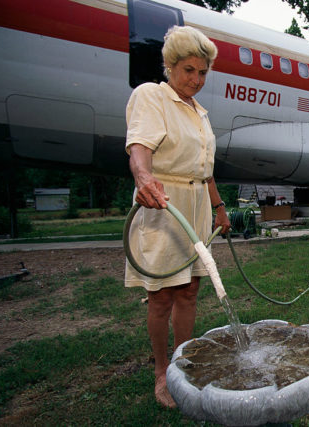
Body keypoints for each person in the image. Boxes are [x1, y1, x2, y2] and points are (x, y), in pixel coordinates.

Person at [124, 25, 231, 408]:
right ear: (170, 65)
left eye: (202, 73)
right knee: (161, 296)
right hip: (162, 203)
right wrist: (143, 176)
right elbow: (139, 144)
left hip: (197, 203)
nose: (196, 80)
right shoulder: (152, 96)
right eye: (189, 70)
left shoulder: (199, 112)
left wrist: (219, 207)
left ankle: (183, 363)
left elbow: (204, 167)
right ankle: (160, 372)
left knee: (189, 289)